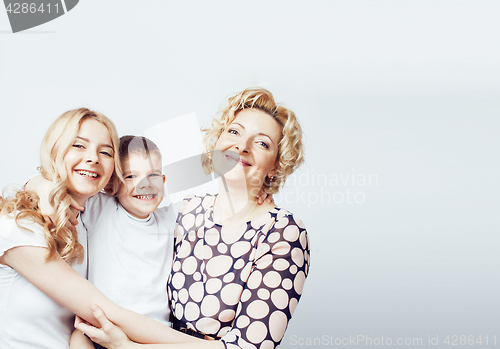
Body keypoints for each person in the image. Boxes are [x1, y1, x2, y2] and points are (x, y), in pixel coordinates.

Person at [76, 87, 310, 349]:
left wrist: (130, 348)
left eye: (262, 143)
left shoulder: (282, 232)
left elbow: (249, 348)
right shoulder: (188, 213)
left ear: (277, 164)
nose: (241, 147)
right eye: (234, 132)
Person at [71, 135, 178, 348]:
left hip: (155, 333)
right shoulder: (100, 207)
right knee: (77, 339)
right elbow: (55, 185)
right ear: (110, 185)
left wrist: (265, 192)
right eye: (131, 176)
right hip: (104, 328)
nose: (145, 184)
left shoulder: (171, 217)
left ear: (163, 181)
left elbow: (217, 207)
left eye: (153, 175)